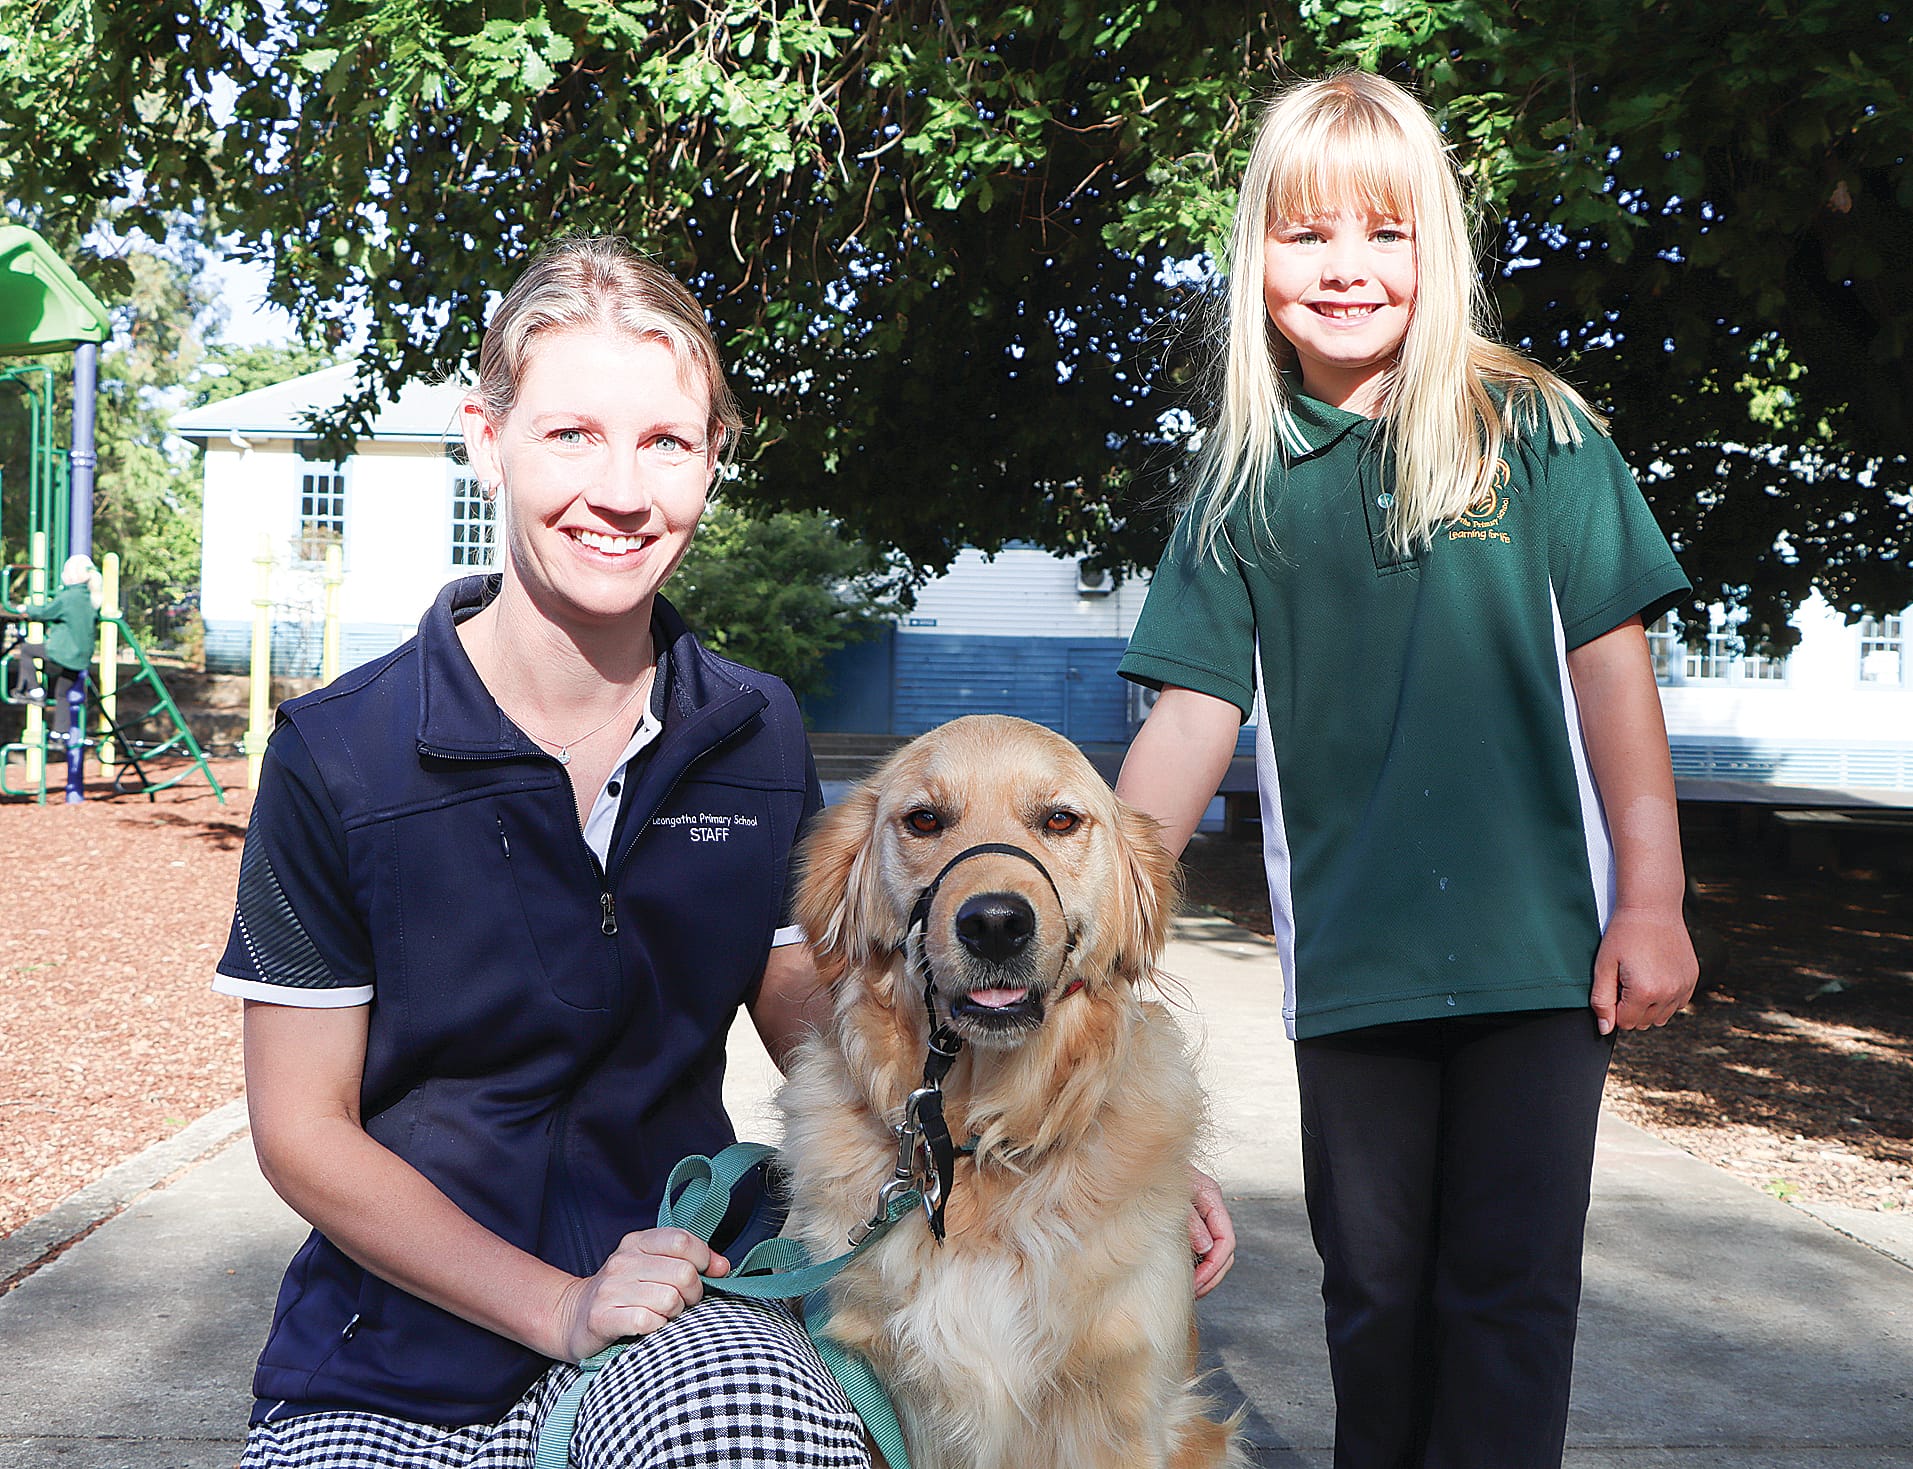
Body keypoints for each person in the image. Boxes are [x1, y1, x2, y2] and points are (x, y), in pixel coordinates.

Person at [216, 236, 1236, 1469]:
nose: (621, 488)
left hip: (685, 1304)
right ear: (485, 439)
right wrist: (553, 1302)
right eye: (570, 435)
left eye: (665, 442)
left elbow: (822, 1010)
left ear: (711, 462)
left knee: (778, 1442)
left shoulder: (749, 732)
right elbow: (300, 1130)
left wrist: (1090, 1142)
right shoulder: (336, 754)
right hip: (397, 1348)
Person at [1114, 72, 1697, 1469]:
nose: (1346, 268)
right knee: (1373, 1303)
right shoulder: (1240, 480)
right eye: (1307, 235)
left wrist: (1654, 897)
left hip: (1541, 962)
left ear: (1437, 249)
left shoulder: (1538, 434)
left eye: (1385, 231)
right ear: (1255, 260)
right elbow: (1190, 724)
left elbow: (1612, 681)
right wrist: (1095, 938)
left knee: (1507, 1303)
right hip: (1354, 971)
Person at [9, 552, 100, 741]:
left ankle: (35, 690)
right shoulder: (91, 600)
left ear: (71, 576)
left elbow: (45, 612)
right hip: (82, 658)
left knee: (27, 650)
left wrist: (25, 608)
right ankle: (61, 732)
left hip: (64, 652)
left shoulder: (68, 597)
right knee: (62, 693)